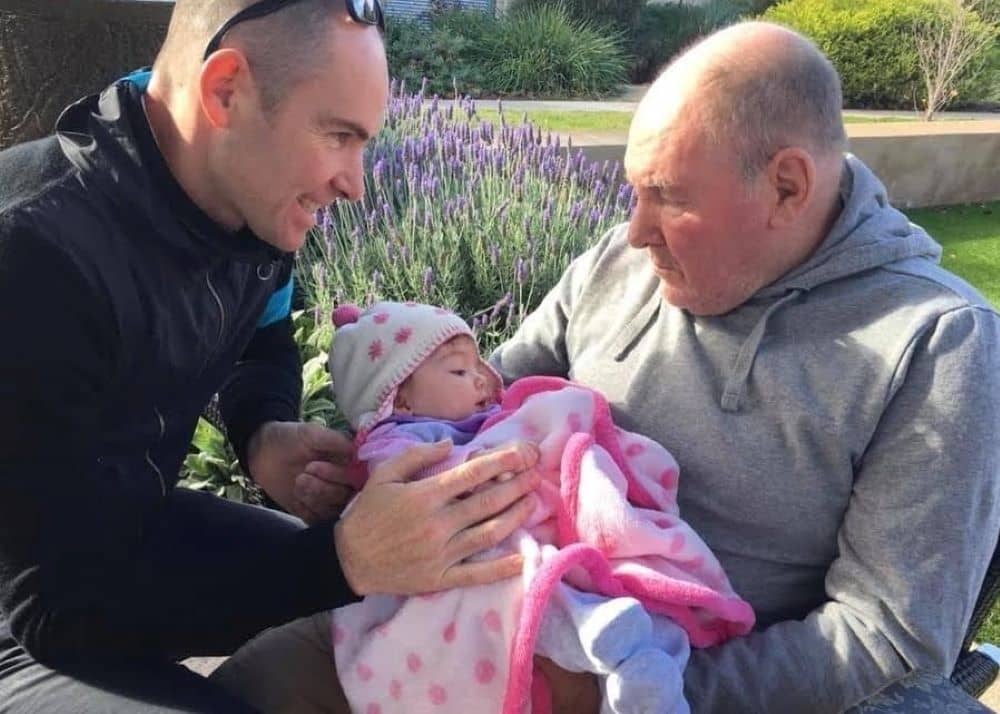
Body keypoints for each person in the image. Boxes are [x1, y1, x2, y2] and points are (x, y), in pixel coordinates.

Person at [211, 19, 1000, 714]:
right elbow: (493, 395)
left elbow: (886, 635)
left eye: (666, 196)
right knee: (250, 681)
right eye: (632, 192)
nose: (633, 232)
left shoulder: (934, 344)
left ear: (787, 186)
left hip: (670, 679)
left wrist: (618, 689)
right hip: (469, 624)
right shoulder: (618, 266)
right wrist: (382, 463)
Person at [0, 1, 543, 711]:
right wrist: (343, 559)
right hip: (32, 607)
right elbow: (52, 604)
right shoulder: (36, 256)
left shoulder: (243, 191)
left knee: (365, 612)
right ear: (226, 89)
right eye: (338, 136)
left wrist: (263, 432)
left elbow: (263, 337)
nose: (357, 183)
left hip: (127, 528)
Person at [317, 300, 752, 714]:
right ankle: (591, 631)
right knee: (517, 587)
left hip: (526, 540)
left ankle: (646, 670)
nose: (484, 380)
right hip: (470, 563)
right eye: (458, 369)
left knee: (626, 612)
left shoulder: (472, 418)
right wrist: (491, 465)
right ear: (401, 399)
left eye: (479, 366)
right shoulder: (396, 440)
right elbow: (418, 494)